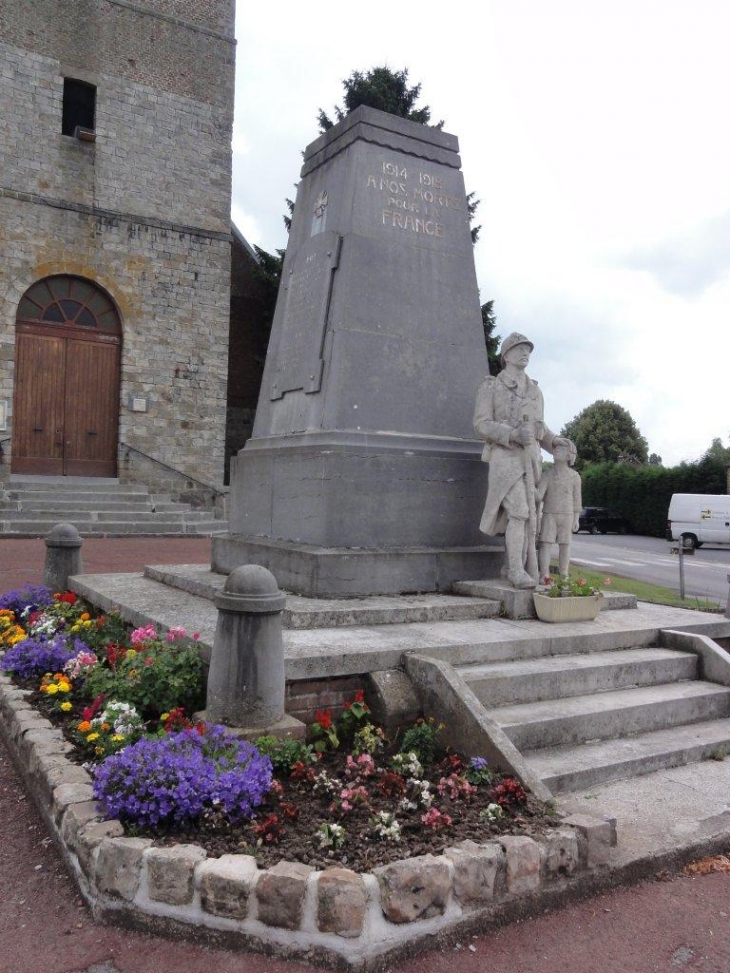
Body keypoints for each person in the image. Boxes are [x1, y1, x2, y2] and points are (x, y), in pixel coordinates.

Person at [473, 332, 568, 589]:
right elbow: (481, 424)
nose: (525, 353)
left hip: (531, 461)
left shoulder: (535, 390)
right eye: (518, 349)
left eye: (528, 349)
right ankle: (516, 570)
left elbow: (541, 428)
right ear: (506, 355)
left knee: (528, 518)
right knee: (520, 511)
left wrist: (555, 441)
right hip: (505, 460)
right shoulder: (491, 387)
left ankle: (512, 565)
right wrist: (512, 433)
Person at [536, 439, 582, 580]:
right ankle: (544, 575)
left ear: (569, 455)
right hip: (549, 514)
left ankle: (564, 575)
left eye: (561, 449)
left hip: (567, 514)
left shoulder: (575, 476)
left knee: (565, 545)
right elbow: (539, 496)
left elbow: (577, 499)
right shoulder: (547, 474)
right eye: (555, 449)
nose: (556, 450)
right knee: (545, 544)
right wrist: (529, 486)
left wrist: (576, 518)